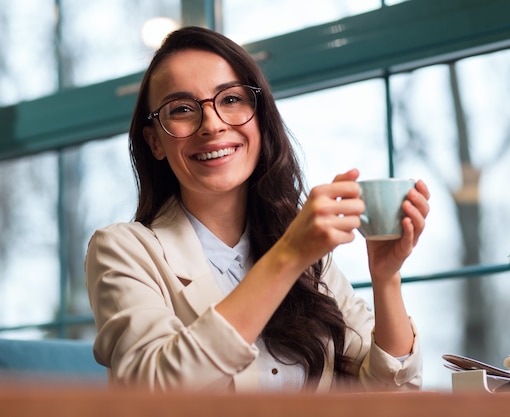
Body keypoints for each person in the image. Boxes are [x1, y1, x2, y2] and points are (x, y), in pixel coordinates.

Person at [85, 26, 430, 393]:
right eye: (182, 109)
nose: (213, 124)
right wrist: (288, 256)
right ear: (154, 141)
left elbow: (393, 395)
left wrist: (386, 276)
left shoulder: (310, 257)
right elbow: (155, 390)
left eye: (231, 100)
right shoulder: (123, 250)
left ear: (260, 118)